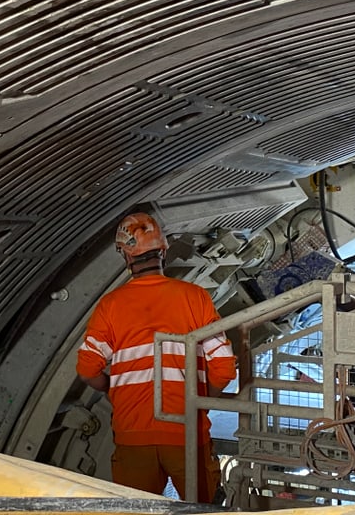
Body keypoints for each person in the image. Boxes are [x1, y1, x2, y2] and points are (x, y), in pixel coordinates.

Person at [75, 212, 237, 503]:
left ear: (125, 256)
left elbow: (87, 369)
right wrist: (199, 402)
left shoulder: (110, 306)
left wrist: (114, 390)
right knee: (202, 509)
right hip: (187, 432)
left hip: (132, 435)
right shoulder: (195, 297)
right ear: (163, 251)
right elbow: (224, 368)